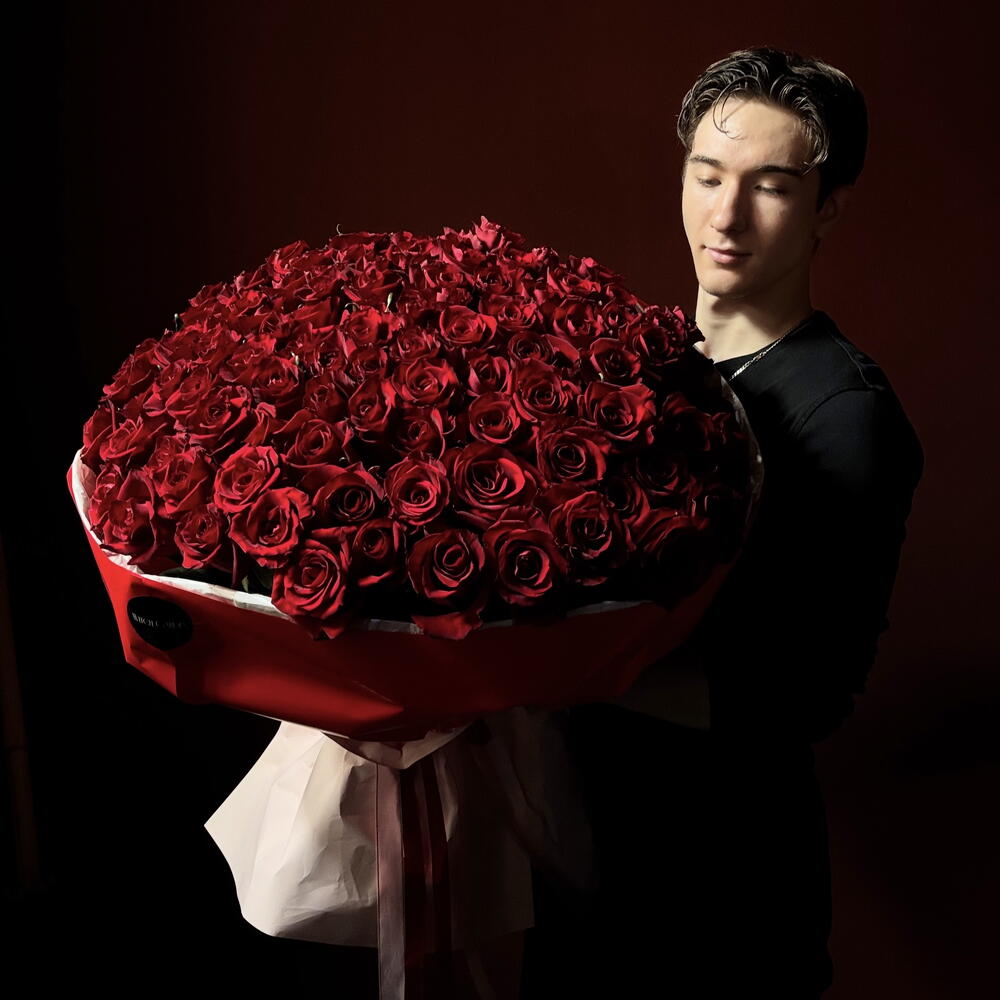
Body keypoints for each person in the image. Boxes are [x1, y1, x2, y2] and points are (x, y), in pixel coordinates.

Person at [521, 47, 925, 998]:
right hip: (585, 869)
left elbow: (798, 698)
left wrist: (544, 671)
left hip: (723, 898)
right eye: (707, 176)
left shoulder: (846, 414)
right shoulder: (645, 365)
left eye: (771, 188)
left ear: (827, 209)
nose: (726, 216)